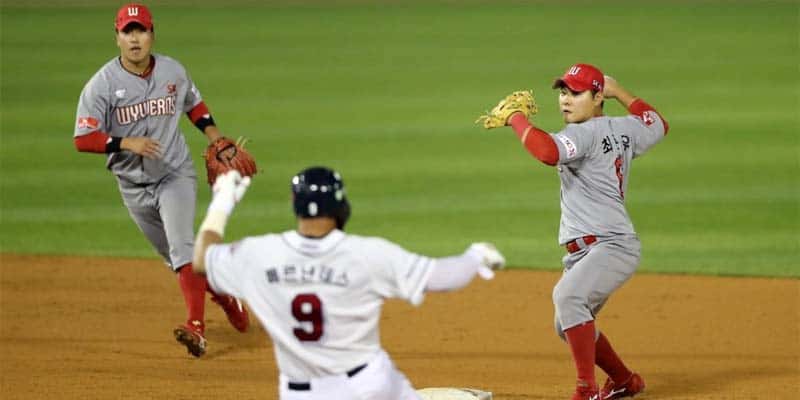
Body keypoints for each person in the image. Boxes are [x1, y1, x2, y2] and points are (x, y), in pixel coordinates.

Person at [191, 167, 505, 400]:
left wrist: (222, 201)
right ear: (340, 206)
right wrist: (476, 256)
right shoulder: (366, 253)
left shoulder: (258, 254)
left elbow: (201, 259)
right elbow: (442, 277)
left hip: (299, 394)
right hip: (369, 385)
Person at [73, 3, 249, 358]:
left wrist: (215, 137)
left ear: (152, 34)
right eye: (127, 31)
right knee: (177, 260)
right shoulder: (101, 86)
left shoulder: (173, 71)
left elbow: (195, 106)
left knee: (182, 247)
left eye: (140, 30)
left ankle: (196, 330)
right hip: (132, 186)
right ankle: (225, 293)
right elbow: (82, 139)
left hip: (174, 174)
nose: (134, 38)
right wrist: (125, 142)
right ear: (117, 37)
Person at [496, 64, 669, 400]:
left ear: (596, 96)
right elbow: (658, 124)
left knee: (569, 299)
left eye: (575, 93)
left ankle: (585, 390)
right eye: (563, 92)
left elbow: (547, 152)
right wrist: (622, 93)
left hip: (610, 245)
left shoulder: (583, 134)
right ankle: (623, 380)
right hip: (596, 249)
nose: (565, 100)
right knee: (568, 323)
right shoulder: (626, 128)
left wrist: (516, 119)